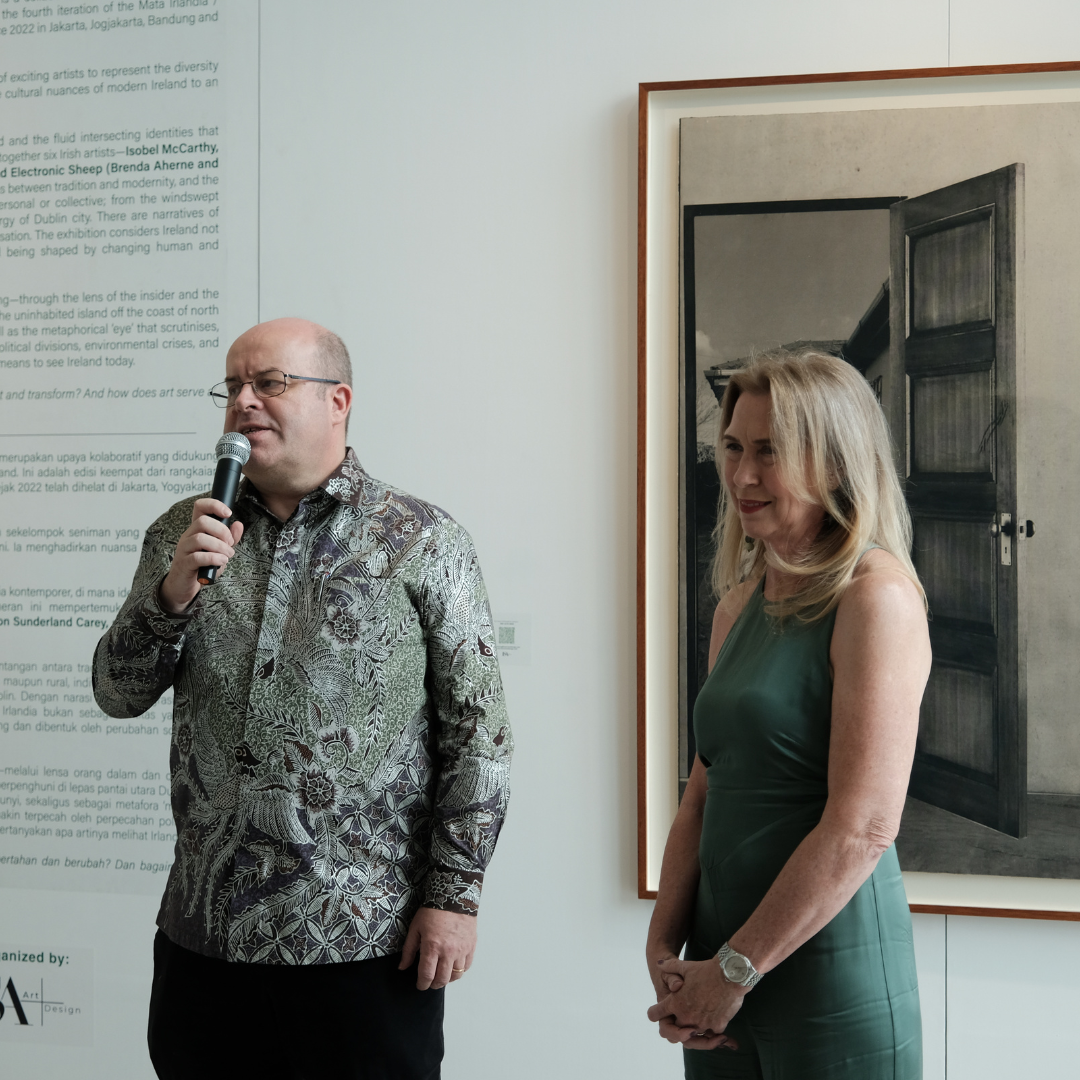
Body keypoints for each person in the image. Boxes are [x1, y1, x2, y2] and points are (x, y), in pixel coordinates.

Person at [93, 318, 513, 1080]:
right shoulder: (183, 534)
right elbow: (117, 694)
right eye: (233, 387)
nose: (244, 402)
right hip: (204, 945)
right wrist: (170, 598)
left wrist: (455, 897)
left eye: (270, 383)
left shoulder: (423, 541)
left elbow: (478, 737)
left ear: (337, 401)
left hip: (364, 946)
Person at [645, 348, 931, 1079]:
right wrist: (663, 948)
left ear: (834, 463)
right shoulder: (736, 605)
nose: (742, 475)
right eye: (733, 447)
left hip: (826, 976)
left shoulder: (876, 596)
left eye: (770, 452)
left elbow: (864, 827)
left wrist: (735, 970)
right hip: (716, 975)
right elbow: (700, 798)